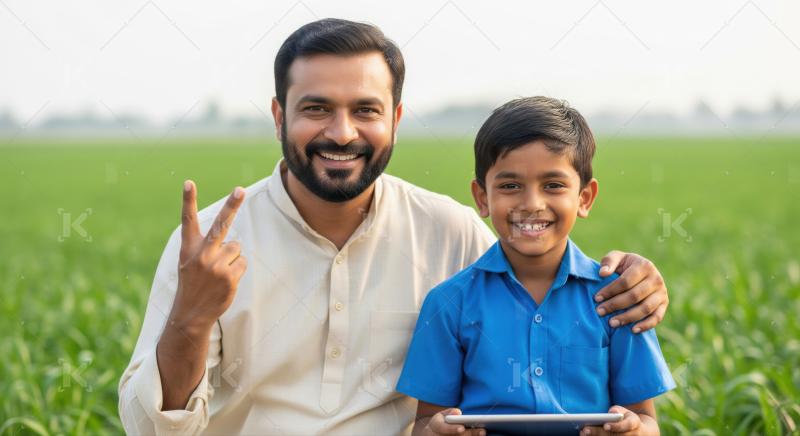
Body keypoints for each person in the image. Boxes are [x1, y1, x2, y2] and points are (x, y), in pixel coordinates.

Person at [118, 19, 671, 435]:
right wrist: (190, 319)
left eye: (366, 109)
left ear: (396, 120)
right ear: (279, 115)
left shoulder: (452, 231)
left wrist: (633, 275)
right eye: (316, 108)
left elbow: (542, 268)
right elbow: (149, 428)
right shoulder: (213, 243)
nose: (341, 132)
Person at [396, 97, 676, 436]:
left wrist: (631, 430)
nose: (531, 204)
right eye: (510, 186)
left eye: (553, 185)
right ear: (482, 197)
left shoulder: (617, 299)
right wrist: (439, 431)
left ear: (584, 198)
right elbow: (426, 422)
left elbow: (646, 421)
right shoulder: (448, 304)